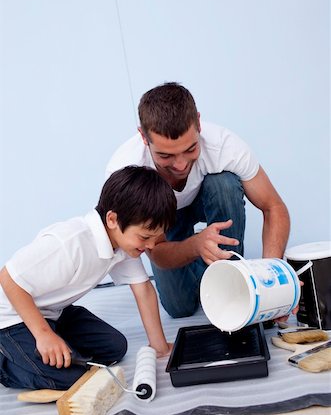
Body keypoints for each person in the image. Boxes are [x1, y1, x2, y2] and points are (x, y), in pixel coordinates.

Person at [105, 82, 291, 319]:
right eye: (165, 155)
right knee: (179, 308)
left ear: (199, 123)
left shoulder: (226, 146)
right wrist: (195, 246)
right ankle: (206, 267)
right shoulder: (126, 171)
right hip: (163, 222)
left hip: (210, 197)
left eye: (190, 149)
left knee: (223, 184)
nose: (180, 165)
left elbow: (274, 207)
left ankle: (229, 277)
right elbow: (157, 251)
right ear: (143, 136)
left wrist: (270, 281)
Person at [0, 165, 176, 390]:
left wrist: (159, 347)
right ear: (112, 219)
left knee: (115, 348)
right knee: (74, 380)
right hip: (11, 318)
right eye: (145, 237)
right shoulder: (71, 242)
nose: (151, 245)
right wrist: (44, 335)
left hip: (55, 313)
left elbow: (143, 290)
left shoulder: (124, 245)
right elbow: (8, 278)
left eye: (156, 237)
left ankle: (52, 342)